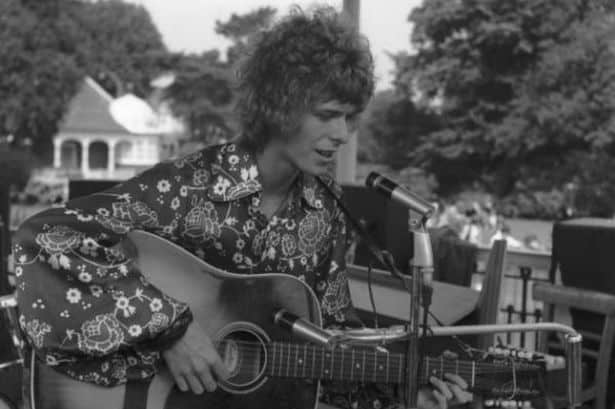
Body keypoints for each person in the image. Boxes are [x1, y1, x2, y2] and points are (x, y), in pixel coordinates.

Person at [12, 6, 471, 409]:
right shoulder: (190, 184)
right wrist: (169, 330)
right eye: (328, 114)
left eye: (351, 117)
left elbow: (331, 347)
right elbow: (46, 236)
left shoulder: (322, 213)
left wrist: (405, 391)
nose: (343, 134)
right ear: (280, 105)